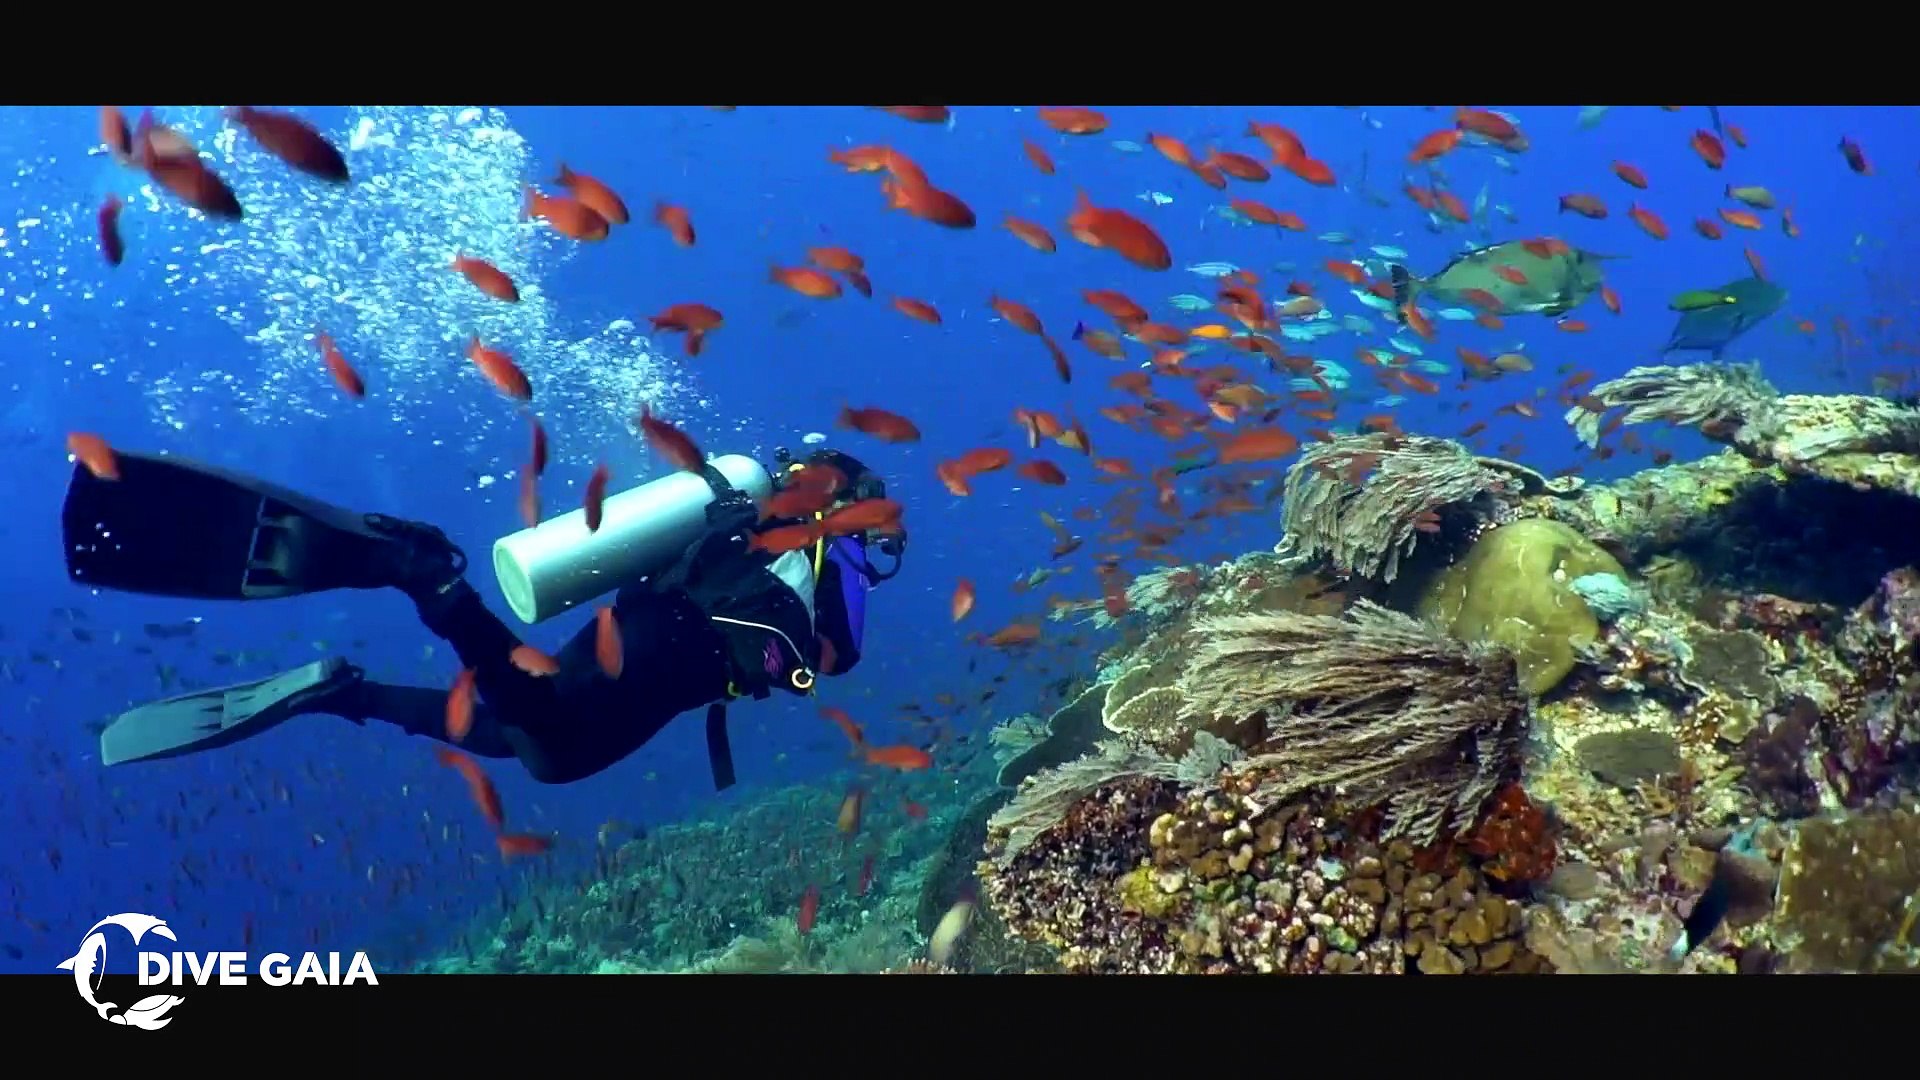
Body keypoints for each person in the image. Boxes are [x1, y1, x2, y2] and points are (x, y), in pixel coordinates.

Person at [61, 446, 903, 787]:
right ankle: (427, 584)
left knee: (512, 733)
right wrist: (855, 553)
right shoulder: (822, 542)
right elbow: (837, 654)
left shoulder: (759, 523)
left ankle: (345, 692)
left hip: (648, 631)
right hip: (668, 647)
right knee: (550, 745)